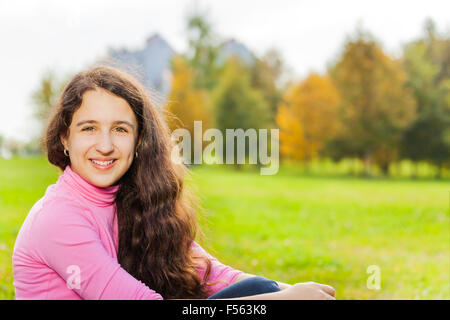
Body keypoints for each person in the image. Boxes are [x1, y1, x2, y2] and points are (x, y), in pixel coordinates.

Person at [12, 65, 335, 300]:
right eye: (89, 128)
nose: (106, 145)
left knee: (259, 288)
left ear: (140, 141)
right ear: (65, 137)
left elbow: (209, 273)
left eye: (121, 129)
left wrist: (287, 291)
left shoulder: (133, 201)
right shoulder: (58, 219)